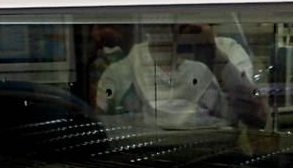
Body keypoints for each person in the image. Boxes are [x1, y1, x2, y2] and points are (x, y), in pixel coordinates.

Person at [96, 23, 267, 130]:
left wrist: (213, 55)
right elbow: (101, 126)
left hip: (215, 157)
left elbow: (257, 118)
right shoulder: (125, 68)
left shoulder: (227, 51)